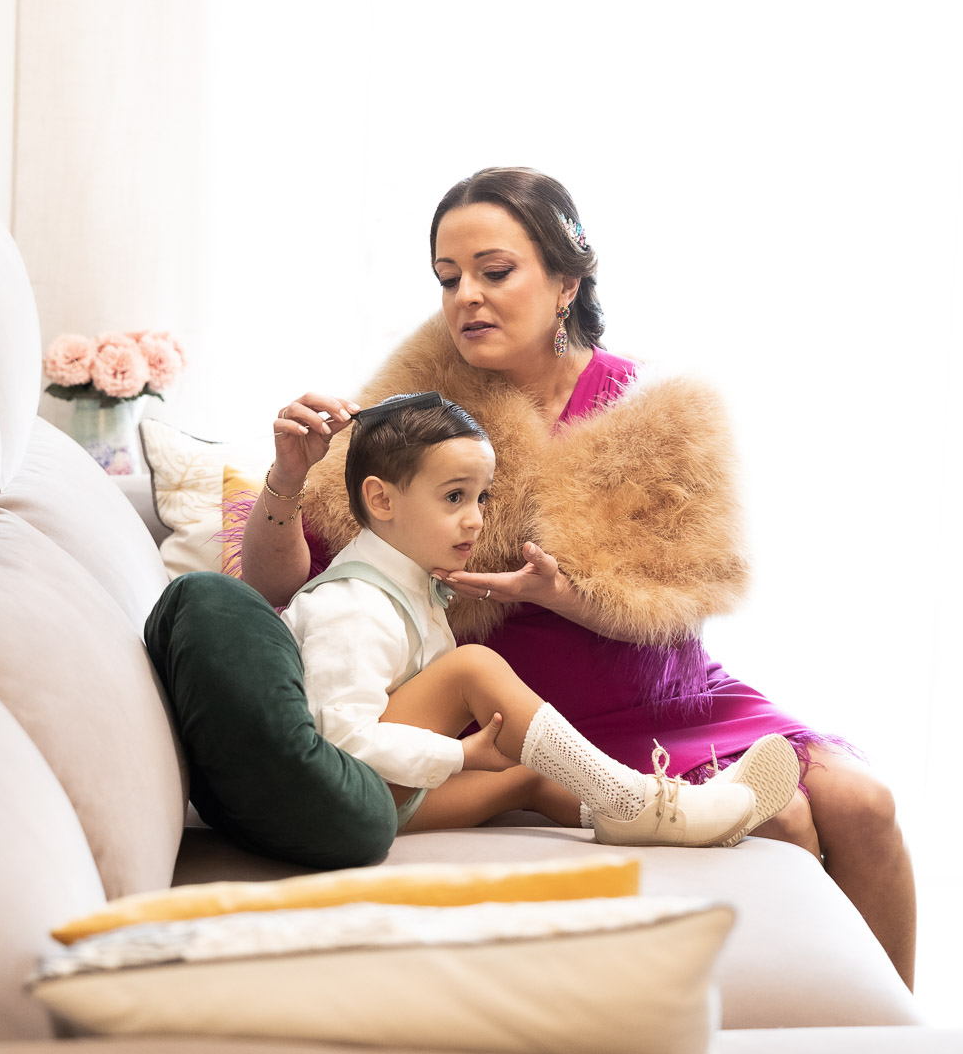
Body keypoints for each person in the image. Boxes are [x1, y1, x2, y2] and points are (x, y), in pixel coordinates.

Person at [239, 167, 919, 990]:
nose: (466, 298)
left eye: (495, 272)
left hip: (671, 692)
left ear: (566, 283)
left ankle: (897, 1046)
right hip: (534, 715)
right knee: (788, 821)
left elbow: (683, 596)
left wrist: (561, 595)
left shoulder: (655, 410)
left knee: (866, 805)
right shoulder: (419, 415)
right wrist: (286, 479)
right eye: (448, 279)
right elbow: (285, 581)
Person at [281, 390, 801, 845]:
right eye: (455, 497)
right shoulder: (353, 605)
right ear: (380, 499)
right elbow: (341, 743)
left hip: (382, 793)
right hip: (338, 802)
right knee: (472, 667)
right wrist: (460, 756)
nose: (476, 519)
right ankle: (636, 802)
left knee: (531, 775)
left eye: (482, 497)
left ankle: (656, 811)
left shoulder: (413, 585)